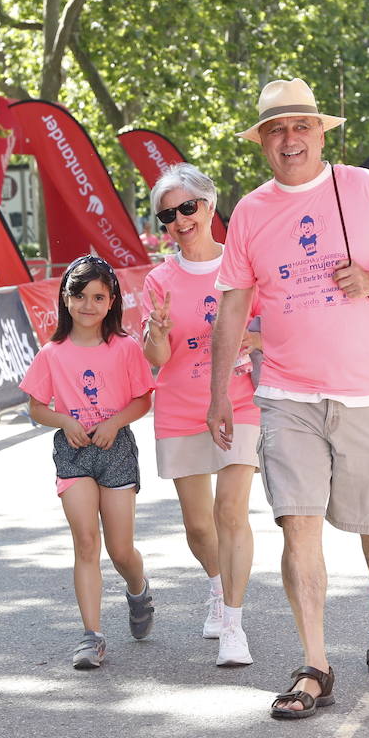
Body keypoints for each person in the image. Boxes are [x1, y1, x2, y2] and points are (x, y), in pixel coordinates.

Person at [206, 77, 369, 720]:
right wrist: (219, 393)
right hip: (286, 392)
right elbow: (232, 307)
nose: (289, 139)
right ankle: (315, 665)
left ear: (320, 132)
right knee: (297, 524)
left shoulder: (365, 188)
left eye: (300, 126)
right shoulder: (251, 211)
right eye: (276, 129)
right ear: (262, 142)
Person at [141, 164, 261, 667]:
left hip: (239, 400)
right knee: (197, 526)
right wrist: (156, 331)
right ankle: (217, 587)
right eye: (169, 214)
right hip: (180, 405)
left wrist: (252, 339)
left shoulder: (244, 265)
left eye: (188, 207)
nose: (180, 220)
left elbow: (270, 326)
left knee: (230, 511)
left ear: (210, 206)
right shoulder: (157, 280)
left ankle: (233, 623)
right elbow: (155, 358)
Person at [20, 255, 156, 670]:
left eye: (98, 297)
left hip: (115, 450)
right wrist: (63, 420)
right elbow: (36, 407)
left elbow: (143, 399)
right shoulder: (52, 353)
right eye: (79, 296)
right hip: (74, 452)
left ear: (111, 300)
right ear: (65, 298)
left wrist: (115, 422)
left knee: (119, 549)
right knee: (85, 543)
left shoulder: (126, 348)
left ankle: (138, 589)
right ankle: (91, 637)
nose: (87, 305)